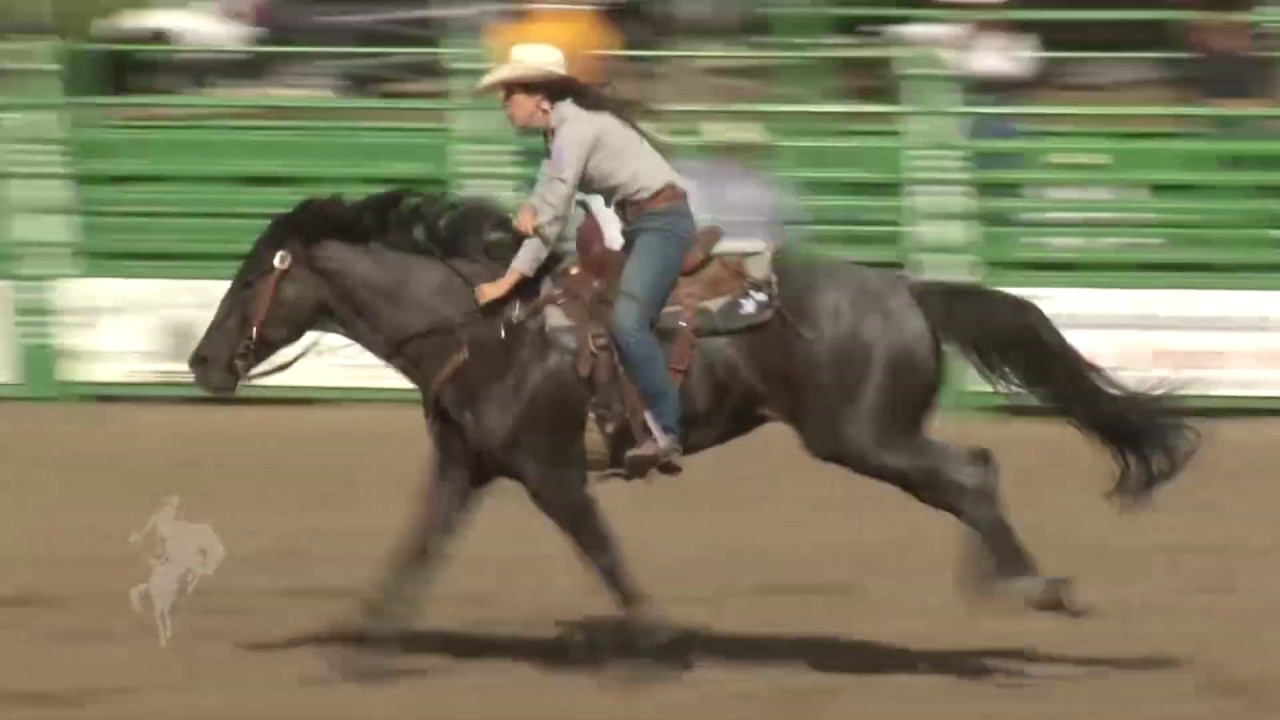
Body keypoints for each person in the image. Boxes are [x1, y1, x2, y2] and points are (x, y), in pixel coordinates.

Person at [471, 42, 694, 476]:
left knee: (628, 320)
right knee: (597, 310)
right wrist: (530, 217)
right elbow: (545, 211)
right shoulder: (558, 135)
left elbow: (550, 215)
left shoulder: (576, 130)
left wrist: (506, 283)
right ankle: (620, 420)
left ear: (539, 96)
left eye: (509, 94)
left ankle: (666, 431)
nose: (504, 105)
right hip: (645, 224)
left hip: (663, 223)